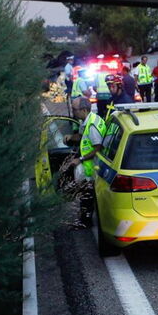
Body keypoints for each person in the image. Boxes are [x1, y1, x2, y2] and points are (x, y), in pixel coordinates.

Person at [63, 97, 106, 227]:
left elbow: (98, 147)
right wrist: (71, 138)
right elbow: (82, 137)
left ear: (84, 110)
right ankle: (84, 220)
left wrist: (80, 159)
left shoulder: (92, 126)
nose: (73, 112)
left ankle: (85, 222)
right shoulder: (89, 120)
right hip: (90, 166)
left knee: (87, 196)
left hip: (93, 167)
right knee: (85, 194)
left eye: (74, 109)